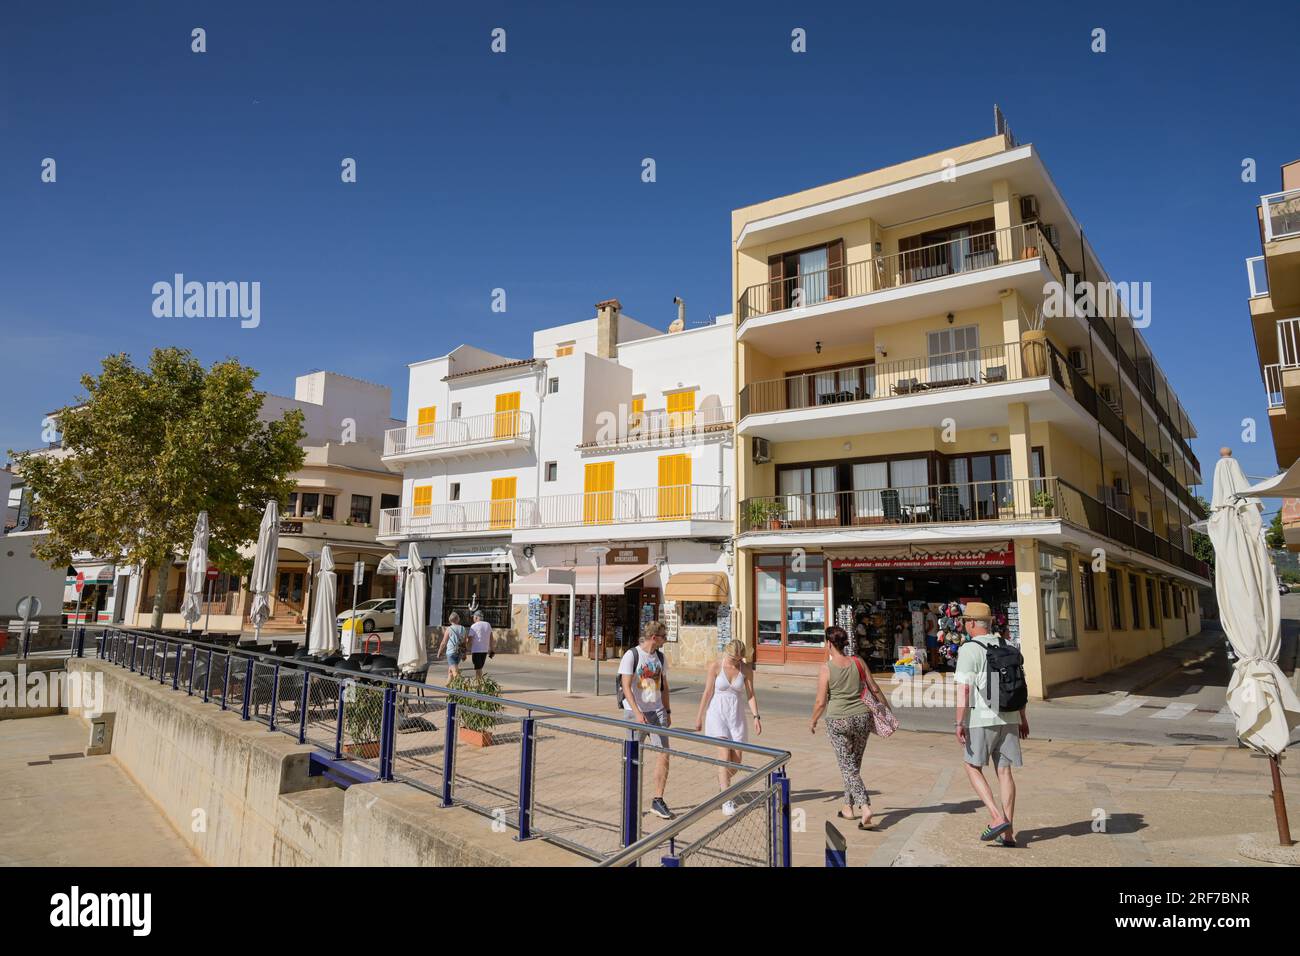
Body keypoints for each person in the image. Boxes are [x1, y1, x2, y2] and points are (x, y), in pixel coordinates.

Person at [953, 601, 1029, 848]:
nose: (965, 626)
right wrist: (1023, 717)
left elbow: (964, 689)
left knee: (972, 766)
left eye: (966, 622)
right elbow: (1020, 685)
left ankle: (997, 818)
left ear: (972, 623)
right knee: (1004, 772)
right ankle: (1009, 832)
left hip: (982, 718)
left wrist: (959, 722)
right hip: (1009, 716)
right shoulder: (1006, 645)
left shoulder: (970, 649)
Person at [810, 625, 887, 830]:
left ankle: (865, 806)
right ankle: (848, 806)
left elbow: (820, 702)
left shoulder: (826, 668)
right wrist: (886, 710)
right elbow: (874, 687)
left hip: (838, 721)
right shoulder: (858, 662)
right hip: (862, 717)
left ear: (828, 644)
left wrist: (814, 720)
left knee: (847, 766)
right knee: (853, 764)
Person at [694, 639, 761, 816]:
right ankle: (726, 799)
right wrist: (699, 716)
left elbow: (751, 695)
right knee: (724, 756)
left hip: (736, 716)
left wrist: (756, 717)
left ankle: (723, 780)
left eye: (739, 658)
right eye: (733, 658)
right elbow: (707, 692)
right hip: (717, 714)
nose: (736, 661)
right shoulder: (716, 666)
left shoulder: (745, 669)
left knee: (736, 762)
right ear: (727, 652)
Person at [619, 622, 674, 820]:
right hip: (636, 713)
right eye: (663, 635)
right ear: (654, 637)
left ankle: (658, 800)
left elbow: (665, 686)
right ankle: (630, 800)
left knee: (664, 754)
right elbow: (625, 686)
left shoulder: (660, 657)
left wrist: (667, 710)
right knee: (633, 756)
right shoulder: (632, 656)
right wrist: (637, 712)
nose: (665, 638)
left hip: (657, 711)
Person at [435, 611, 468, 681]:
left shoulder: (449, 629)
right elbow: (464, 642)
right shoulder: (463, 628)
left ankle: (461, 686)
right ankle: (448, 687)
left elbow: (444, 642)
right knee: (450, 671)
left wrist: (439, 652)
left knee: (455, 672)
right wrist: (464, 654)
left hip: (451, 652)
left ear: (450, 620)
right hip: (459, 652)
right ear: (457, 619)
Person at [467, 609, 494, 679]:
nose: (473, 618)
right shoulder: (488, 625)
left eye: (473, 617)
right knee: (479, 668)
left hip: (476, 650)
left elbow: (470, 639)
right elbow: (491, 638)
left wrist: (465, 648)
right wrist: (492, 649)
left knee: (478, 669)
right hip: (484, 650)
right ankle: (478, 684)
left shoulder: (474, 626)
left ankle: (479, 685)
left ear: (476, 617)